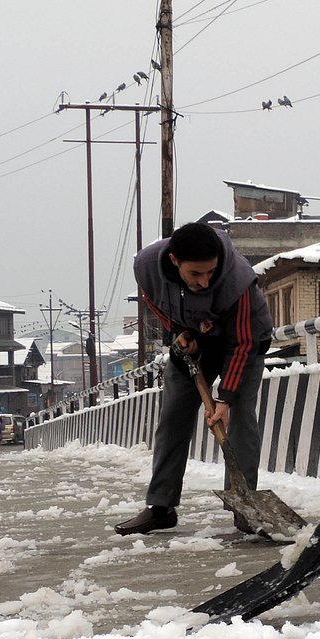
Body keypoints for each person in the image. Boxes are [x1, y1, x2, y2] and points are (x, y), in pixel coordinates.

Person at [115, 222, 273, 535]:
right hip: (196, 341)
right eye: (196, 274)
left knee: (241, 417)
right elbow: (152, 298)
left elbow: (243, 344)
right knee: (173, 416)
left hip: (244, 343)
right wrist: (179, 331)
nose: (205, 281)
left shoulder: (238, 280)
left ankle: (244, 507)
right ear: (174, 260)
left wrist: (225, 399)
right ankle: (161, 507)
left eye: (211, 272)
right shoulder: (146, 267)